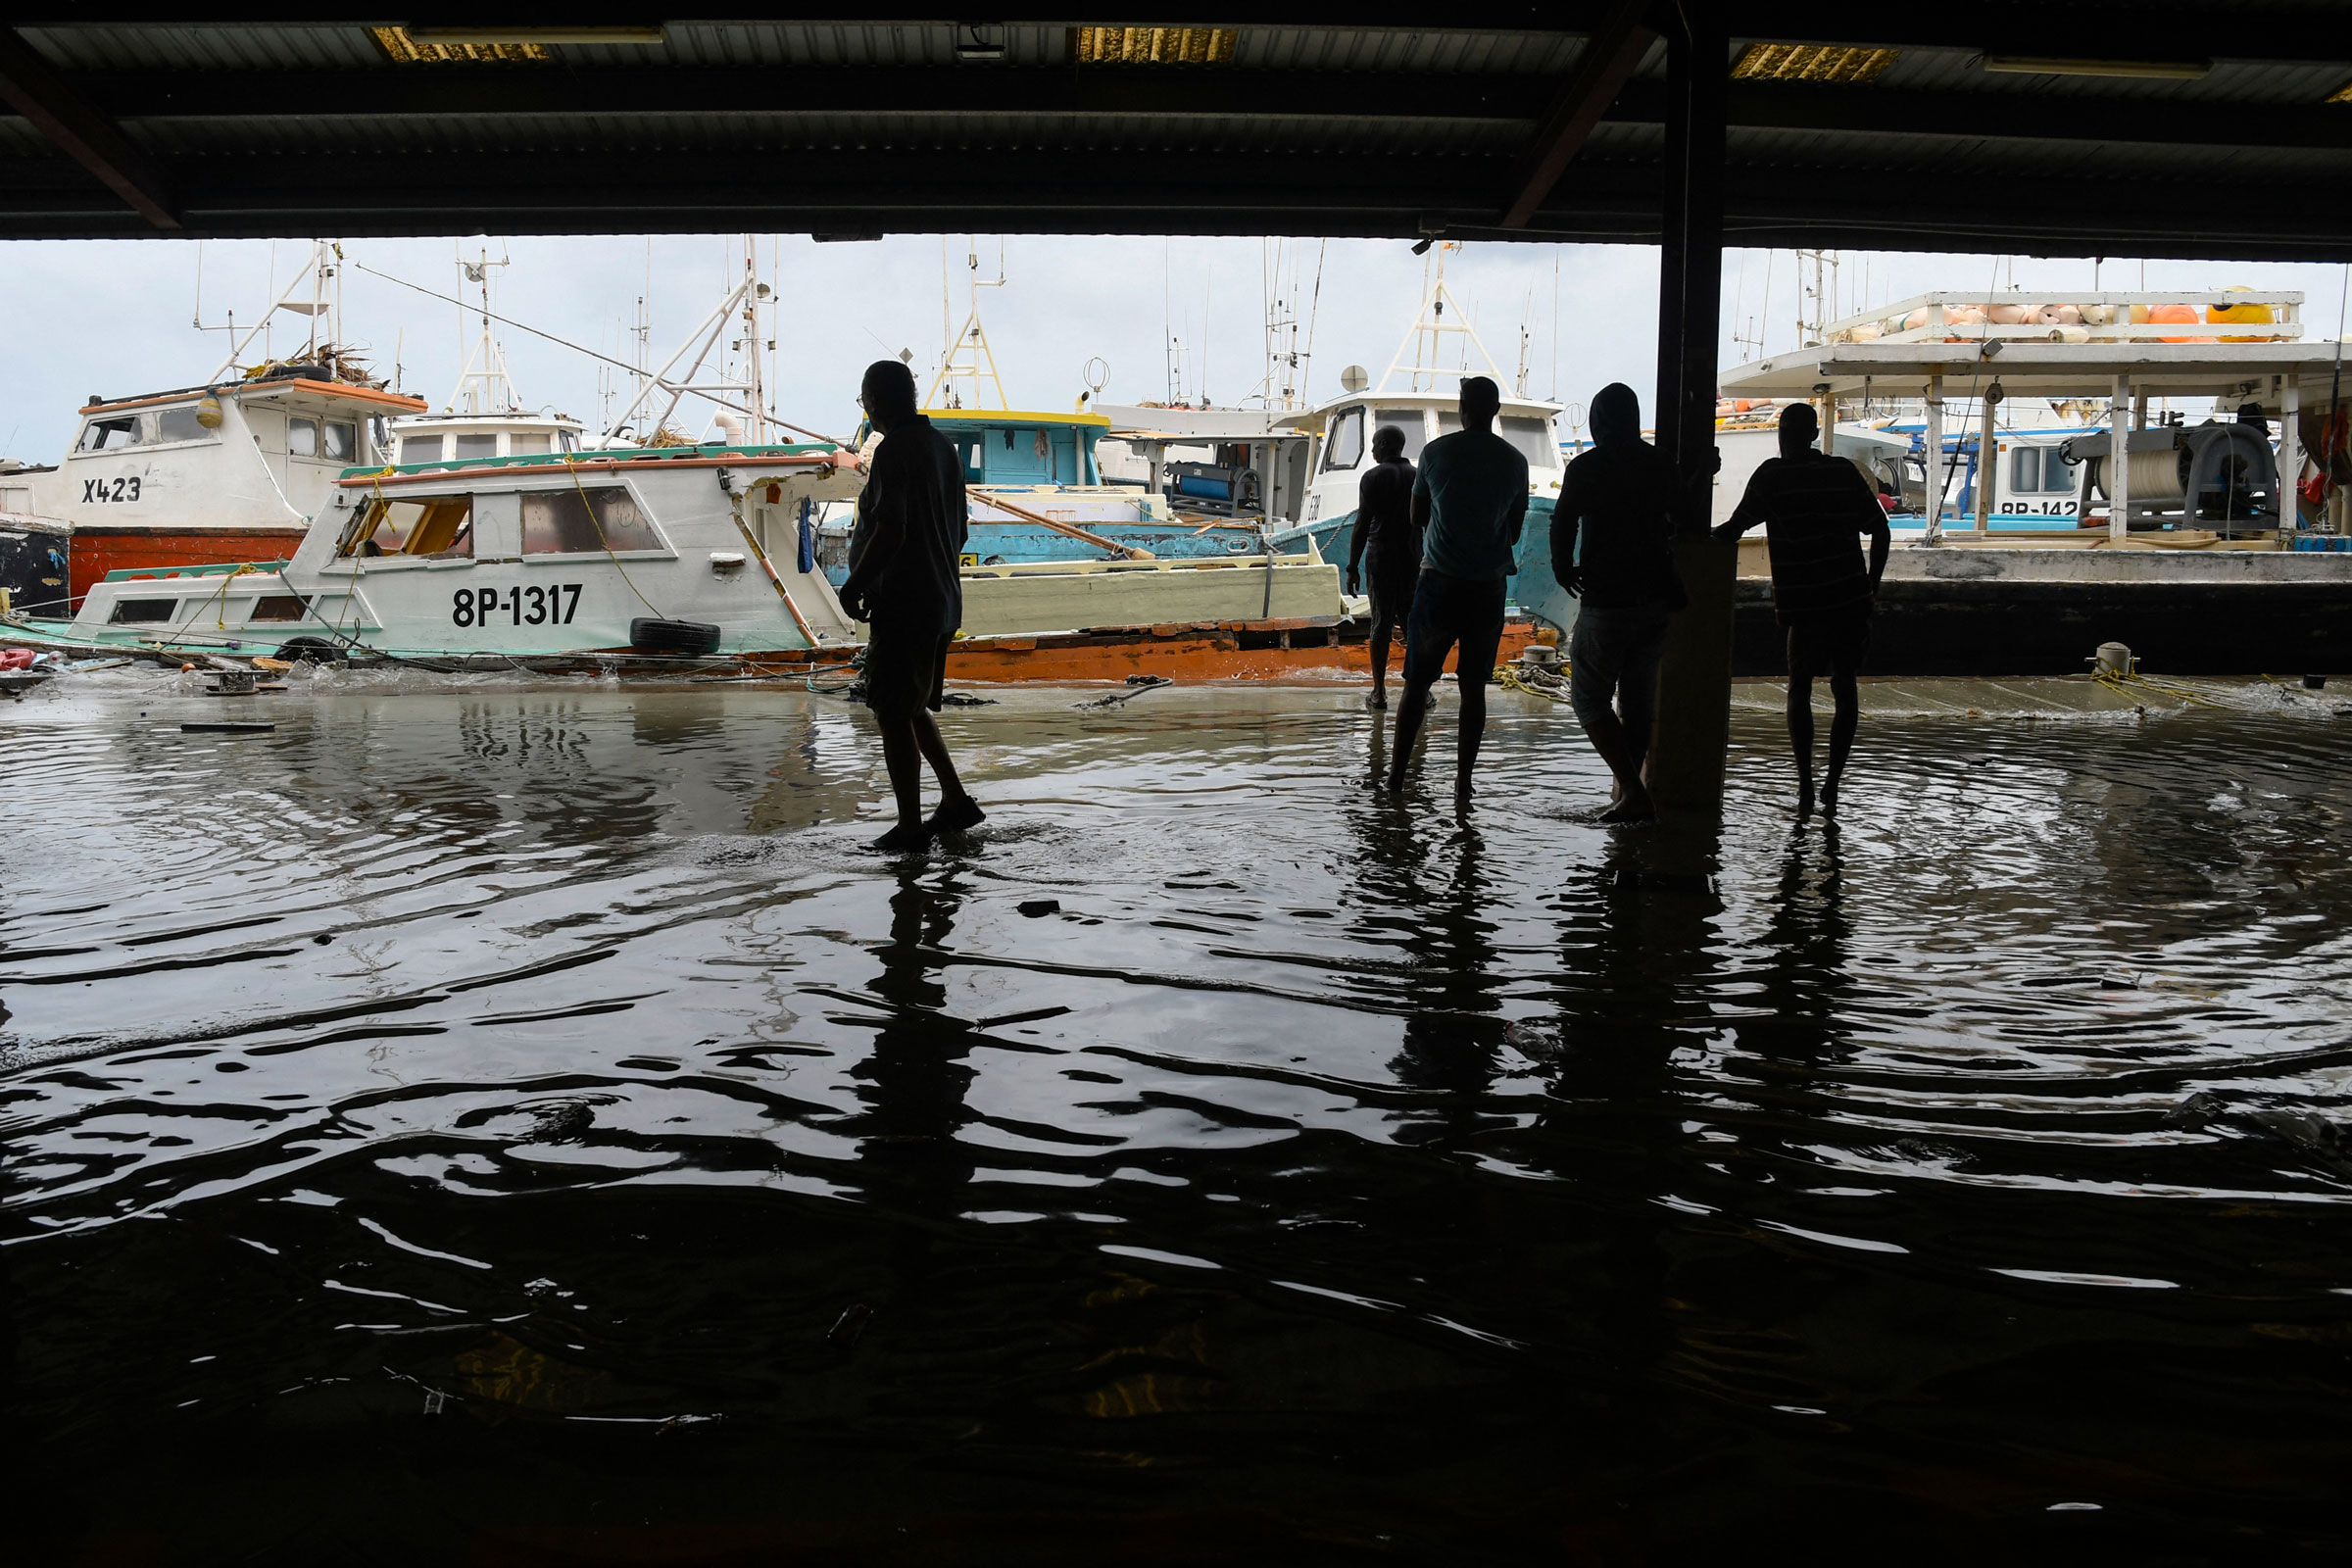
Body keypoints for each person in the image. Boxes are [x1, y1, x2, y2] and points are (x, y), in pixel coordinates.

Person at [1713, 403, 1890, 819]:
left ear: (1791, 434)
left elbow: (1731, 530)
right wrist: (1872, 586)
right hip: (1848, 601)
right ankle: (1831, 784)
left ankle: (1807, 786)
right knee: (1844, 687)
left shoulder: (1771, 476)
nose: (1785, 436)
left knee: (1800, 687)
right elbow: (1879, 529)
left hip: (1805, 607)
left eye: (1786, 429)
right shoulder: (1842, 473)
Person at [840, 359, 985, 852]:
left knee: (889, 709)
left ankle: (909, 827)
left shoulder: (896, 450)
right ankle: (954, 800)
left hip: (907, 602)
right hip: (942, 600)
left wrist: (853, 584)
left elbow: (892, 528)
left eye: (865, 400)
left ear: (875, 402)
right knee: (911, 704)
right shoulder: (943, 448)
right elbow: (960, 531)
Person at [1385, 375, 1528, 800]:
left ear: (1463, 408)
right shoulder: (1515, 461)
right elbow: (1515, 531)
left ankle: (1395, 778)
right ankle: (1463, 784)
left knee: (1417, 684)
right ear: (1496, 410)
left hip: (1438, 583)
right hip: (1487, 588)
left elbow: (1416, 517)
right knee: (1473, 690)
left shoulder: (1435, 453)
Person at [1551, 382, 1682, 823]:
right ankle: (1633, 790)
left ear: (1598, 422)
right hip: (1656, 598)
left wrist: (1562, 568)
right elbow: (1681, 514)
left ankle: (1631, 791)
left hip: (1606, 597)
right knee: (1638, 700)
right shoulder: (1660, 463)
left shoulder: (1587, 466)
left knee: (1588, 698)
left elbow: (1564, 520)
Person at [1344, 423, 1419, 709]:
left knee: (1380, 624)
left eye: (1375, 444)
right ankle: (1420, 689)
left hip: (1382, 556)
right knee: (1412, 625)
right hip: (1412, 557)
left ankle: (1379, 692)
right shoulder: (1417, 475)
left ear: (1385, 445)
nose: (1373, 450)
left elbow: (1362, 524)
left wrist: (1352, 566)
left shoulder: (1373, 477)